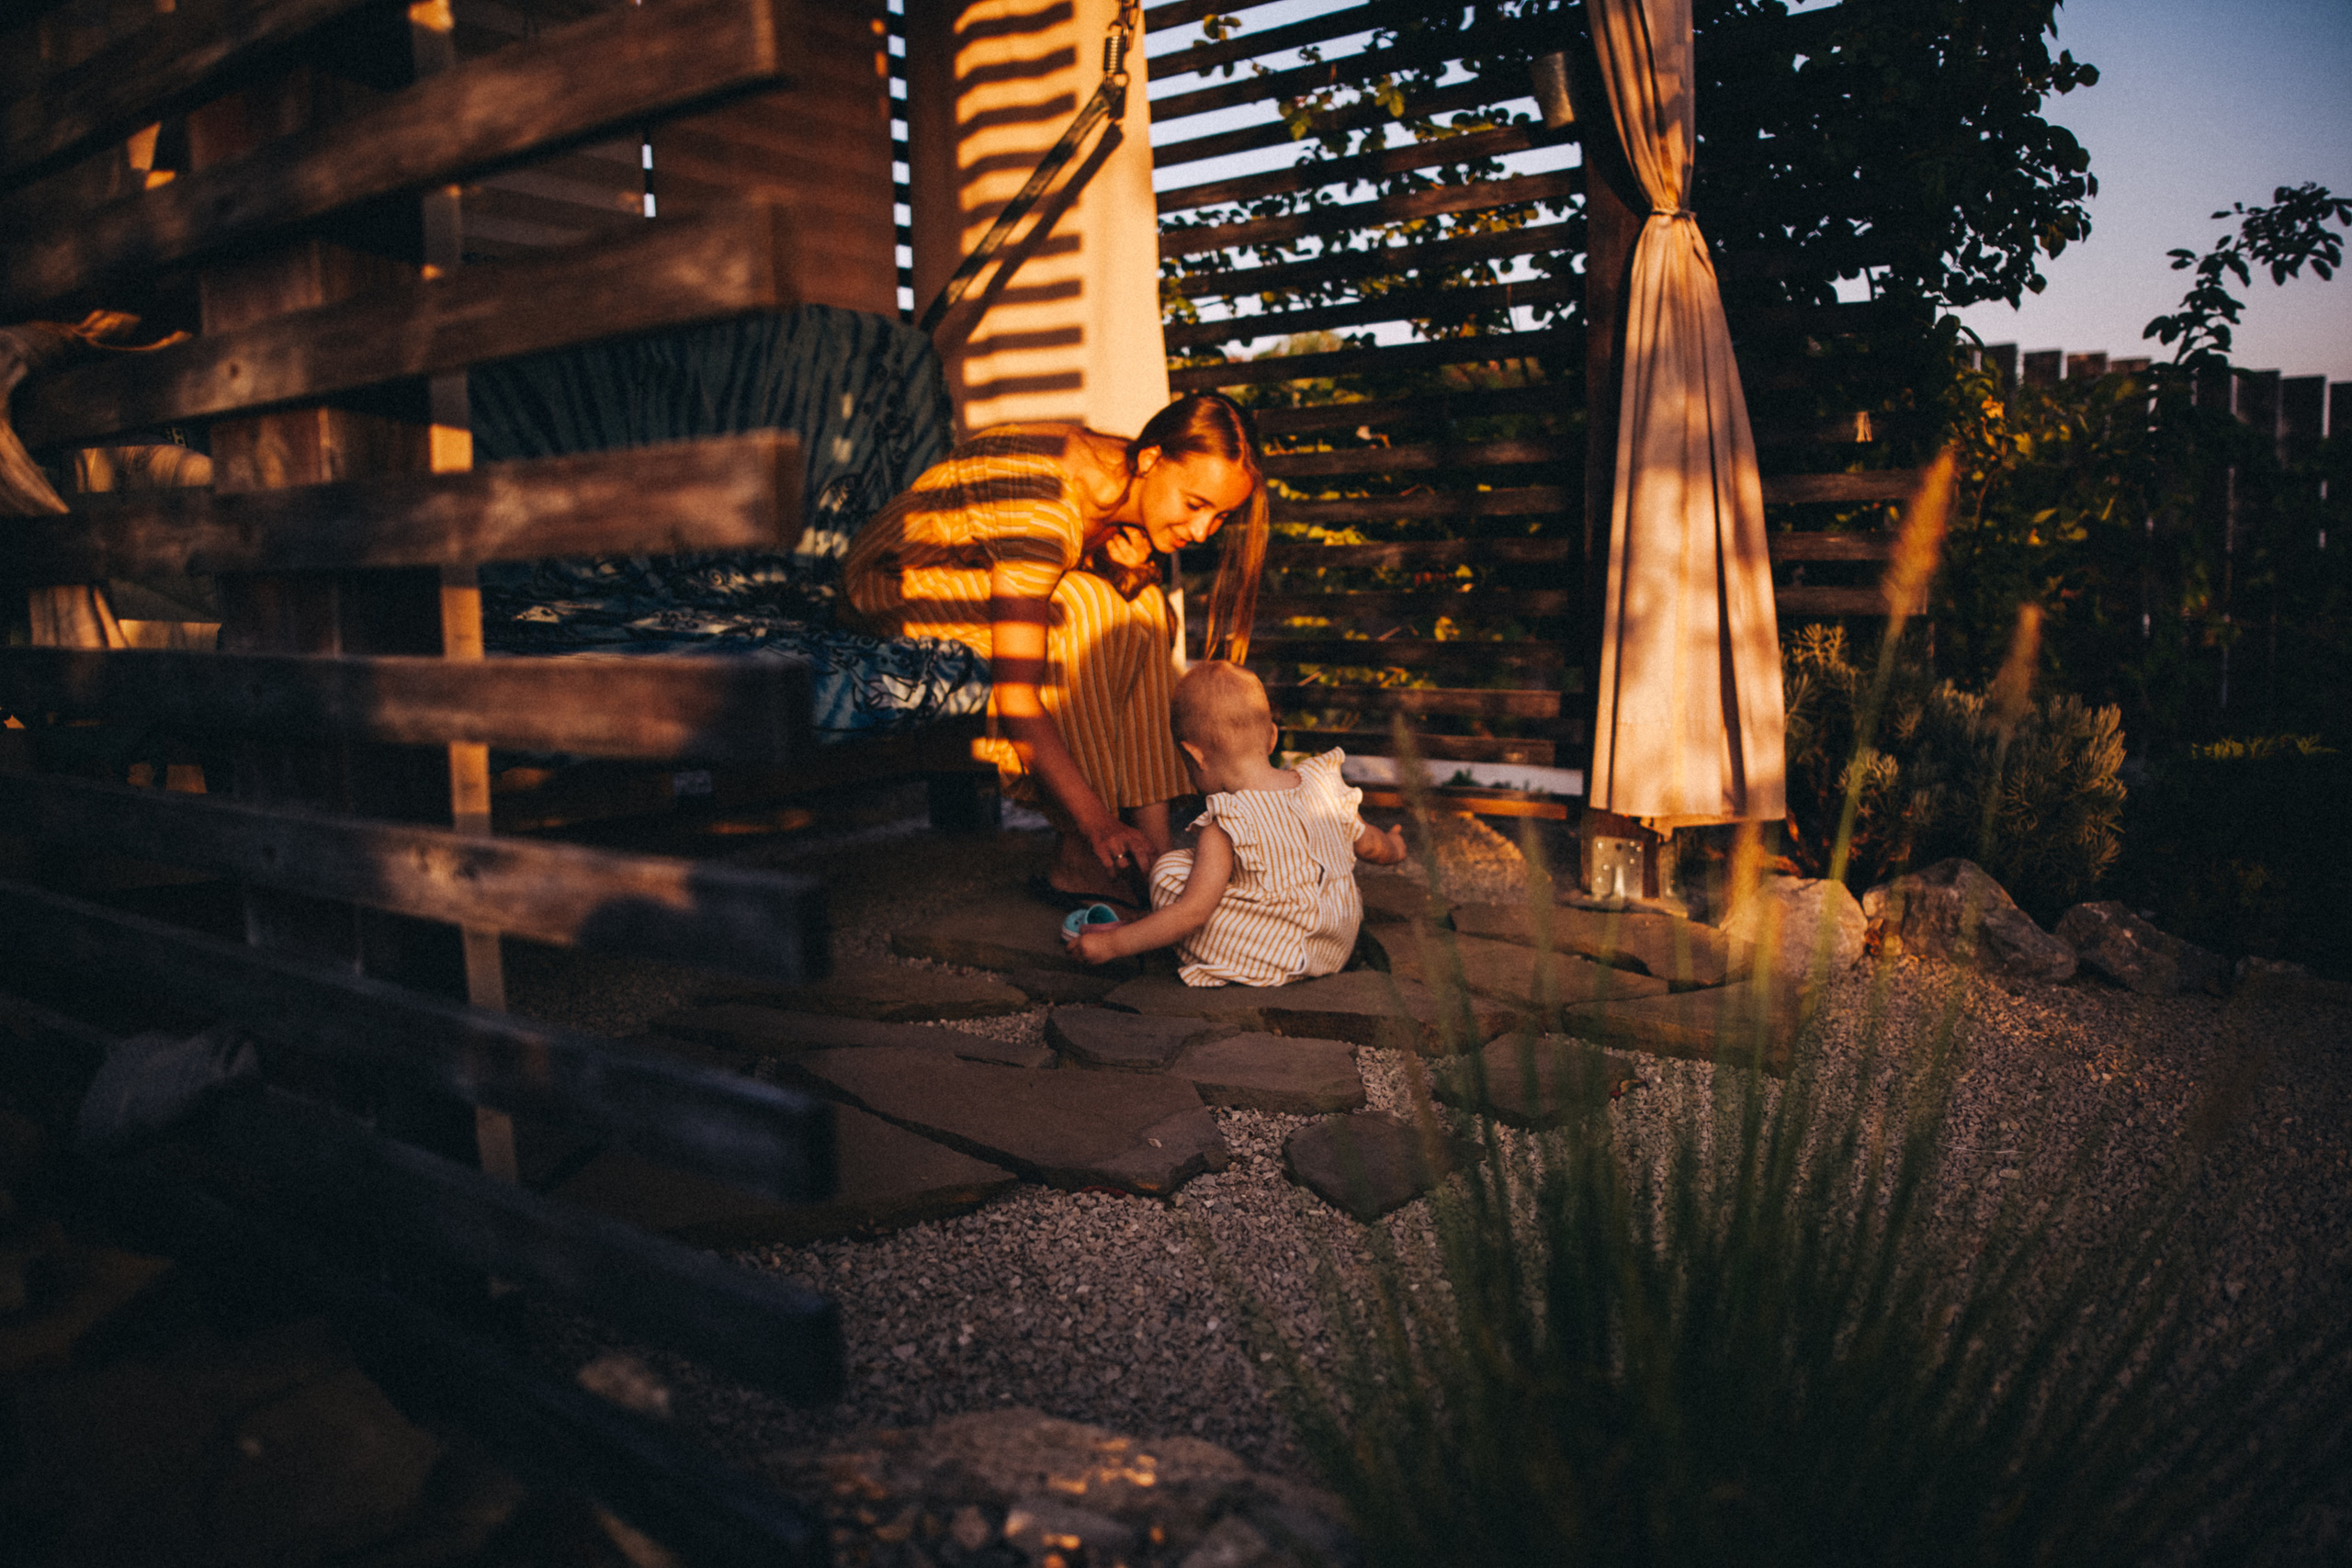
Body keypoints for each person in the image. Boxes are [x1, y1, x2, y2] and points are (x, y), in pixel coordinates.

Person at [842, 393, 1270, 904]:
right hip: (891, 589)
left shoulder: (1122, 485)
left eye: (1220, 518)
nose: (1202, 532)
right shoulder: (1042, 502)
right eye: (1195, 504)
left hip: (972, 575)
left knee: (1149, 609)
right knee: (1084, 608)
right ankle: (1084, 857)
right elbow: (1018, 695)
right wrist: (1096, 824)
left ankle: (1154, 852)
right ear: (1152, 459)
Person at [1063, 661, 1409, 986]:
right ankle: (1154, 928)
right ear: (1272, 736)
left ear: (1195, 755)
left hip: (1277, 958)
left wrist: (1113, 946)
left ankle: (1148, 933)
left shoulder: (1228, 819)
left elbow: (1194, 913)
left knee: (1169, 871)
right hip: (1336, 945)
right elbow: (1372, 846)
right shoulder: (1322, 784)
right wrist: (1395, 845)